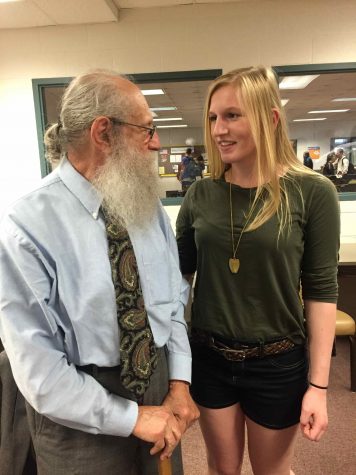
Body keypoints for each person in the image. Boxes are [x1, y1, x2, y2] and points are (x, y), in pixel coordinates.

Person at [0, 70, 199, 475]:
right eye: (147, 129)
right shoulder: (27, 226)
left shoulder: (148, 208)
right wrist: (132, 418)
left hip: (159, 389)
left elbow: (171, 302)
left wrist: (179, 383)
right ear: (104, 133)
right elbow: (39, 369)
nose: (157, 142)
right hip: (78, 414)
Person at [176, 66, 339, 475]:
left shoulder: (313, 192)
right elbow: (178, 280)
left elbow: (321, 293)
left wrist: (318, 387)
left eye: (233, 115)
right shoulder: (201, 194)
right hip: (210, 358)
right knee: (221, 469)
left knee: (271, 470)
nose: (218, 129)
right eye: (213, 117)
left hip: (277, 362)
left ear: (270, 119)